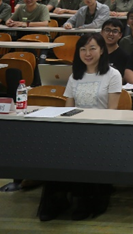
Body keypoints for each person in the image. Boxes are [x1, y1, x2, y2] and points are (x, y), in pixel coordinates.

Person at [38, 33, 122, 221]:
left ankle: (86, 202)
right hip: (76, 128)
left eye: (92, 48)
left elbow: (112, 111)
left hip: (101, 130)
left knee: (84, 150)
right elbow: (68, 108)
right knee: (54, 149)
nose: (87, 53)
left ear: (102, 50)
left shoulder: (112, 75)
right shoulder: (75, 75)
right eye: (83, 49)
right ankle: (58, 200)